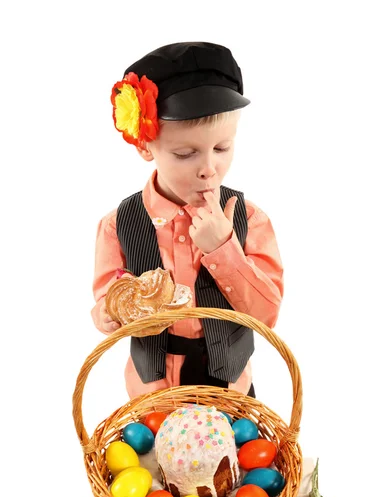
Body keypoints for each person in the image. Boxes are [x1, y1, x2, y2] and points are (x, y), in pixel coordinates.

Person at [91, 41, 284, 401]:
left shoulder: (249, 219)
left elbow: (266, 315)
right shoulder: (119, 226)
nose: (209, 169)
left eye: (222, 148)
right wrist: (109, 312)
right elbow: (108, 301)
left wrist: (224, 249)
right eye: (185, 153)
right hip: (152, 398)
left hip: (231, 396)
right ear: (145, 147)